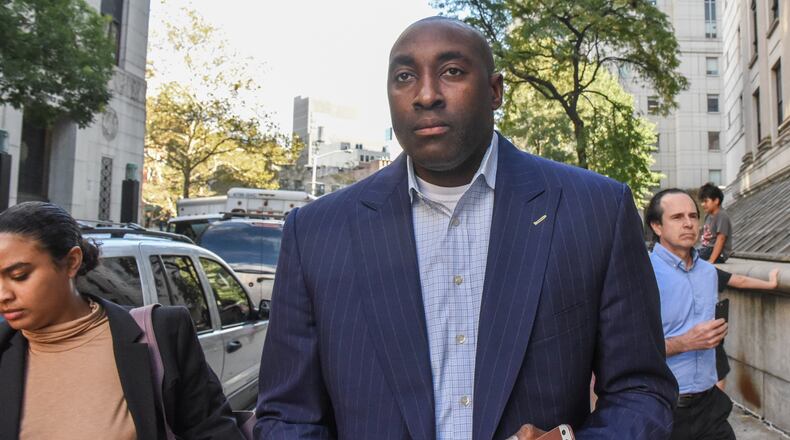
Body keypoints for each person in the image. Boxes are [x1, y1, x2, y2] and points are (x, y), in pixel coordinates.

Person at [254, 16, 676, 440]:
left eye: (451, 71)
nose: (426, 95)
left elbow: (640, 390)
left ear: (495, 91)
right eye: (405, 77)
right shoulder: (315, 234)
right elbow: (288, 416)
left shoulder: (595, 211)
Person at [0, 202, 244, 440]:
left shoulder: (161, 333)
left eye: (19, 276)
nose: (3, 295)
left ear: (72, 262)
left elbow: (213, 430)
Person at [645, 189, 735, 440]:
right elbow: (628, 349)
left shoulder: (708, 273)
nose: (688, 223)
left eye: (693, 216)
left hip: (710, 406)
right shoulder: (642, 273)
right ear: (657, 226)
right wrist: (684, 343)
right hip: (662, 408)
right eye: (677, 217)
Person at [714, 267, 780, 391]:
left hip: (680, 337)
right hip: (709, 336)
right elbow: (740, 281)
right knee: (717, 372)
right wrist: (770, 284)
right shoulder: (705, 269)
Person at [698, 182, 733, 264]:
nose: (703, 204)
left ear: (716, 201)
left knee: (690, 259)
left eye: (706, 201)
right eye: (702, 201)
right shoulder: (708, 216)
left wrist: (711, 260)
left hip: (717, 253)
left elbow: (721, 238)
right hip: (706, 249)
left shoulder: (721, 215)